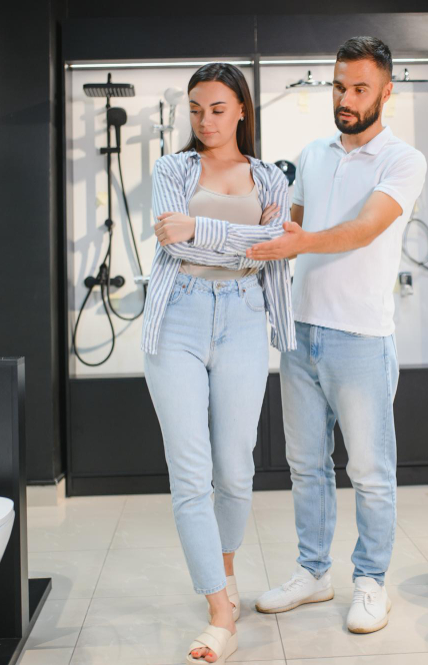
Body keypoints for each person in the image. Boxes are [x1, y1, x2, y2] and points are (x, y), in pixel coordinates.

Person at [246, 36, 427, 634]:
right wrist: (248, 229)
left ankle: (371, 582)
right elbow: (289, 222)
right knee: (306, 465)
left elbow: (364, 229)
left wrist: (298, 241)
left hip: (360, 338)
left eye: (359, 89)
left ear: (386, 91)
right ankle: (313, 573)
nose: (346, 99)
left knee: (370, 471)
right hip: (300, 334)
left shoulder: (403, 160)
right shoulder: (314, 151)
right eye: (339, 86)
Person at [143, 62, 295, 664]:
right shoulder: (171, 169)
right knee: (191, 474)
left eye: (217, 108)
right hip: (176, 318)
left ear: (241, 112)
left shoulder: (270, 178)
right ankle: (220, 612)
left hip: (241, 319)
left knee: (235, 471)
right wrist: (241, 239)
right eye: (196, 108)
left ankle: (224, 573)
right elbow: (173, 243)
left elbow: (274, 248)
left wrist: (205, 227)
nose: (205, 120)